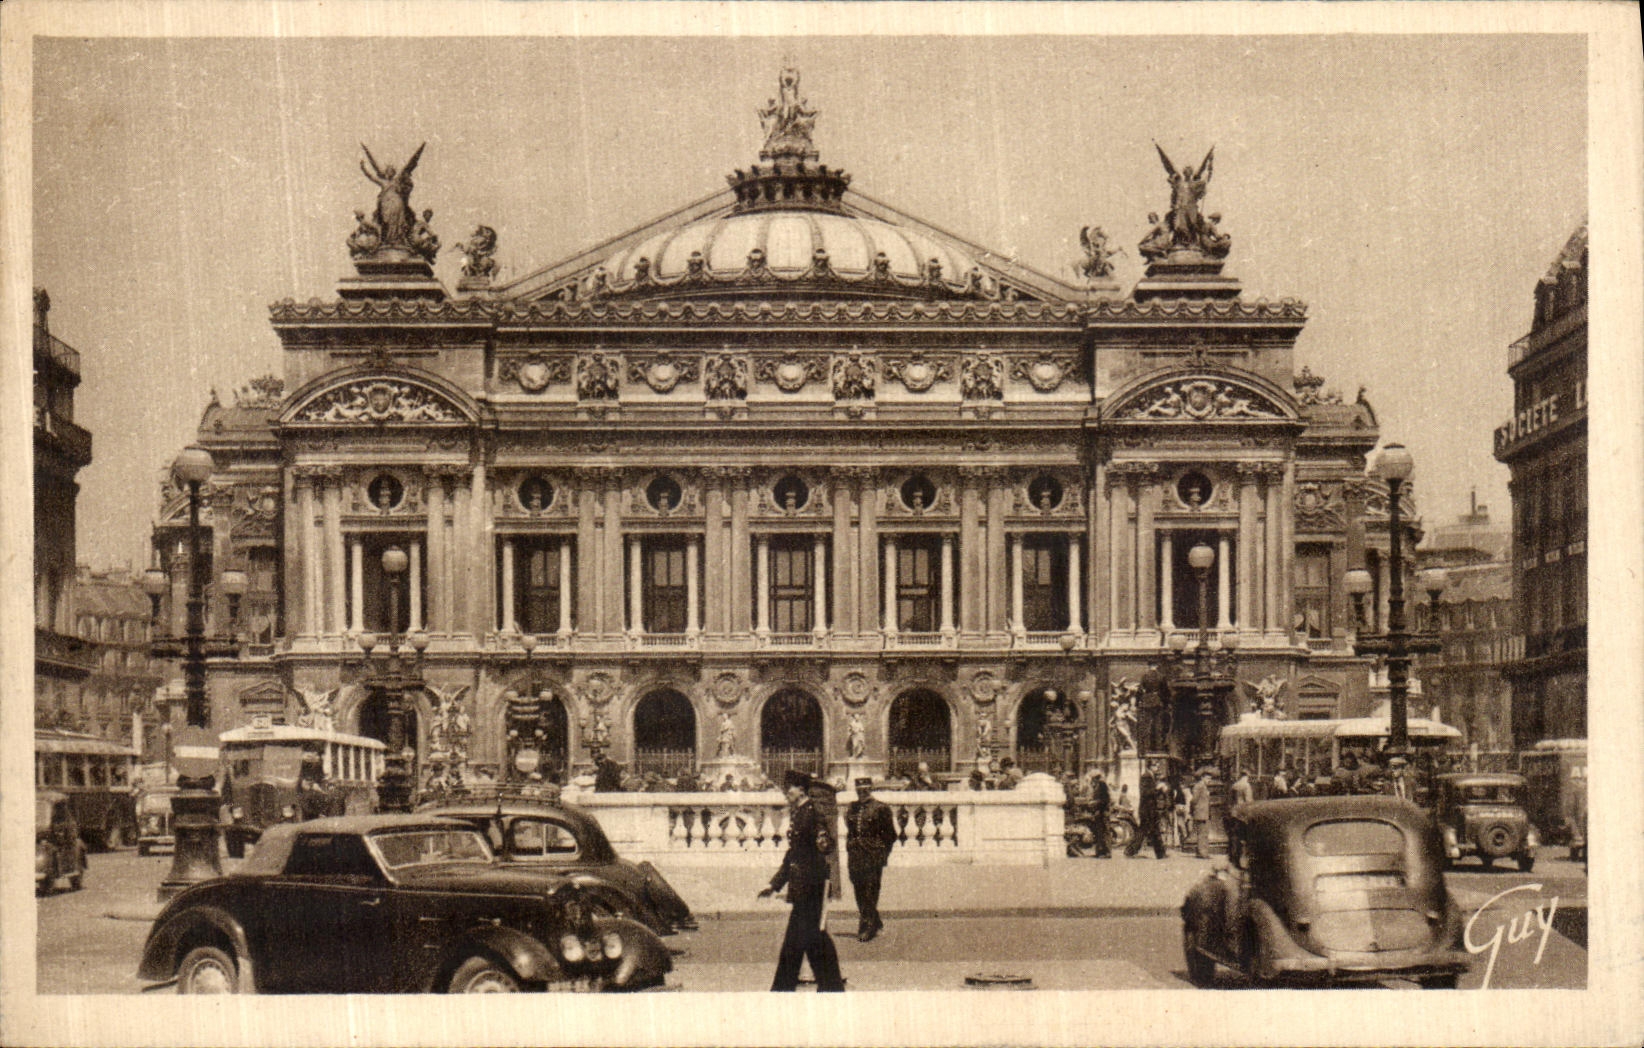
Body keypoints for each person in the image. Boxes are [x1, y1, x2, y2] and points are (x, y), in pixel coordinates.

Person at [758, 771, 845, 992]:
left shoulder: (812, 813)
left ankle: (787, 989)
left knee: (803, 940)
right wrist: (774, 884)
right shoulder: (800, 813)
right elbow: (792, 855)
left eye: (790, 789)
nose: (787, 793)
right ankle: (829, 986)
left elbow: (825, 846)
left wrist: (823, 844)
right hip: (804, 887)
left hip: (811, 886)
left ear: (801, 790)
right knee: (810, 939)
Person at [845, 778, 898, 942]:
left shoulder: (881, 808)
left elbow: (890, 835)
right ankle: (874, 920)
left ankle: (866, 926)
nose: (862, 793)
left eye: (865, 790)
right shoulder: (852, 808)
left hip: (872, 854)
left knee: (870, 889)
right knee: (858, 889)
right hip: (855, 854)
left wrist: (882, 855)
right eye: (859, 790)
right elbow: (851, 830)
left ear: (871, 789)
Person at [1125, 774, 1167, 859]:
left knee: (1149, 832)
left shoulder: (1147, 782)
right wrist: (1159, 789)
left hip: (1148, 812)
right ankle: (1160, 853)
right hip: (1148, 812)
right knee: (1149, 832)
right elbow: (1148, 793)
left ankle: (1160, 853)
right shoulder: (1146, 782)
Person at [1089, 770, 1112, 858]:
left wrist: (1095, 802)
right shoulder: (1097, 785)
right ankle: (1100, 851)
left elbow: (1105, 800)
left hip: (1103, 811)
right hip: (1099, 812)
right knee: (1099, 832)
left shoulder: (1102, 785)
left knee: (1104, 832)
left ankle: (1106, 852)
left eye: (1093, 778)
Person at [1191, 773, 1212, 859]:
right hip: (1201, 812)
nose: (1209, 780)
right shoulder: (1199, 786)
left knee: (1203, 833)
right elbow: (1194, 800)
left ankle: (1200, 852)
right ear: (1202, 777)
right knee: (1202, 833)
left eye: (1210, 779)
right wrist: (1195, 809)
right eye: (1207, 778)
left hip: (1203, 812)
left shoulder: (1203, 786)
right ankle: (1203, 853)